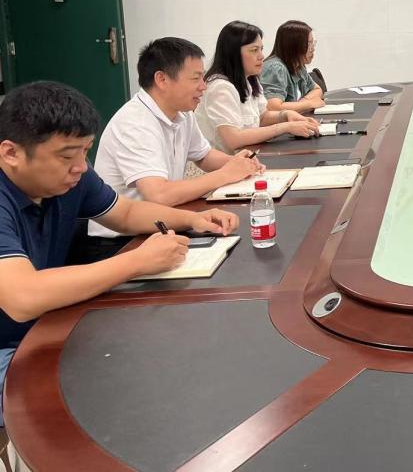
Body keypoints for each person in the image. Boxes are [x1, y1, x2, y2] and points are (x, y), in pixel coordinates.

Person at [0, 82, 239, 428]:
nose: (81, 167)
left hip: (43, 325)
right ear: (11, 153)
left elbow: (124, 213)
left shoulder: (72, 178)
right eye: (67, 156)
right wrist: (137, 261)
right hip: (9, 344)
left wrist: (193, 220)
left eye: (86, 151)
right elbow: (22, 297)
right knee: (91, 404)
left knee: (159, 357)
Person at [95, 37, 265, 211]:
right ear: (162, 79)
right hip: (132, 227)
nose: (203, 86)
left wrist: (239, 164)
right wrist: (225, 174)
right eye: (196, 78)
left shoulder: (182, 111)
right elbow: (159, 195)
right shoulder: (135, 123)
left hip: (164, 216)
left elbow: (204, 156)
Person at [196, 21, 319, 153]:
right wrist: (286, 127)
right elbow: (233, 139)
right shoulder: (220, 87)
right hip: (225, 162)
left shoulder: (249, 79)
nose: (261, 56)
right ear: (233, 53)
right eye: (254, 50)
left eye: (261, 49)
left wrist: (285, 115)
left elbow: (262, 117)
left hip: (247, 157)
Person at [260, 20, 325, 113]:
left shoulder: (298, 65)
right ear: (294, 46)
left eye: (313, 43)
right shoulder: (275, 68)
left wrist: (303, 102)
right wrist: (309, 104)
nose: (313, 49)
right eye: (308, 43)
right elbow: (272, 107)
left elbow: (317, 90)